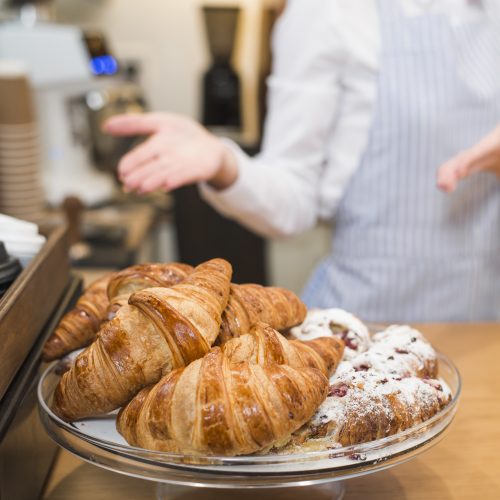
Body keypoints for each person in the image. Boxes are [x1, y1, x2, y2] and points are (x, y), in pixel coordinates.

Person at [104, 0, 500, 322]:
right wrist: (225, 164)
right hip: (366, 326)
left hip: (485, 324)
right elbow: (292, 203)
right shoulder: (330, 13)